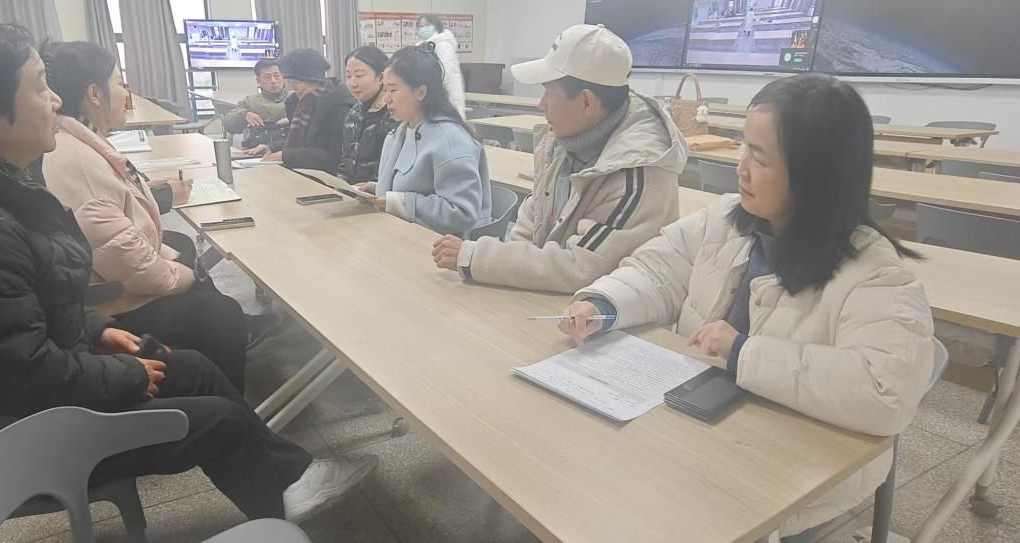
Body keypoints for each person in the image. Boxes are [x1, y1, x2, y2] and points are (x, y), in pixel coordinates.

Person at [0, 22, 374, 524]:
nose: (56, 101)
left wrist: (96, 329)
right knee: (221, 417)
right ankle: (282, 495)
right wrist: (125, 375)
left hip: (23, 399)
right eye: (40, 88)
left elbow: (20, 311)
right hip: (10, 441)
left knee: (193, 368)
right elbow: (18, 377)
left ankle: (288, 484)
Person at [558, 73, 935, 541]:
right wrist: (604, 304)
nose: (741, 168)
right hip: (700, 431)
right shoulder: (725, 220)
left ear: (814, 173)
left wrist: (742, 352)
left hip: (792, 470)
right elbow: (657, 271)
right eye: (743, 148)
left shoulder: (876, 276)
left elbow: (885, 391)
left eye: (759, 157)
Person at [38, 41, 250, 393]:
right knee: (221, 312)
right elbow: (134, 267)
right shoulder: (78, 161)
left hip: (97, 281)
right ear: (94, 93)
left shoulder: (76, 141)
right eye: (119, 83)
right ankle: (225, 402)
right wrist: (186, 273)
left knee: (182, 248)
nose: (127, 93)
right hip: (108, 305)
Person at [431, 24, 685, 294]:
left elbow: (581, 267)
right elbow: (531, 221)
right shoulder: (565, 141)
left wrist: (478, 258)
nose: (541, 104)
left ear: (586, 102)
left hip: (598, 310)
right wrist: (509, 268)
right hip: (550, 298)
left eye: (549, 94)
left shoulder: (638, 173)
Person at [357, 45, 491, 235]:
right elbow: (415, 187)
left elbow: (461, 213)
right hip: (398, 233)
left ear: (420, 92)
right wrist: (378, 189)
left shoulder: (451, 140)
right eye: (385, 90)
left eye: (393, 90)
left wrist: (400, 202)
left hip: (436, 244)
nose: (386, 99)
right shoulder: (400, 131)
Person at [258, 49, 355, 175]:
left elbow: (333, 157)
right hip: (300, 172)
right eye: (289, 83)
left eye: (296, 83)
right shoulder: (298, 103)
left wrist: (286, 156)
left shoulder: (339, 106)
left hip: (325, 178)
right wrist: (272, 147)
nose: (292, 88)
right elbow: (299, 142)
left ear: (313, 80)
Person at [338, 45, 397, 183]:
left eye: (359, 76)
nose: (353, 83)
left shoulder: (392, 113)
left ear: (381, 77)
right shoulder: (354, 112)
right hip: (352, 190)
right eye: (348, 76)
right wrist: (340, 182)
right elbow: (346, 158)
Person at [227, 59, 290, 155]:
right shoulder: (250, 101)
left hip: (289, 151)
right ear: (258, 81)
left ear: (283, 77)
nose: (273, 81)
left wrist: (292, 119)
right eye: (268, 77)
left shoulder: (295, 98)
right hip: (258, 152)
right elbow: (228, 124)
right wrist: (244, 114)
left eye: (277, 76)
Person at [415, 14, 465, 119]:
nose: (424, 28)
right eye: (420, 26)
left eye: (427, 25)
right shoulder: (421, 46)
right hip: (428, 95)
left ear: (436, 25)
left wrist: (430, 88)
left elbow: (446, 74)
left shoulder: (444, 45)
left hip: (445, 95)